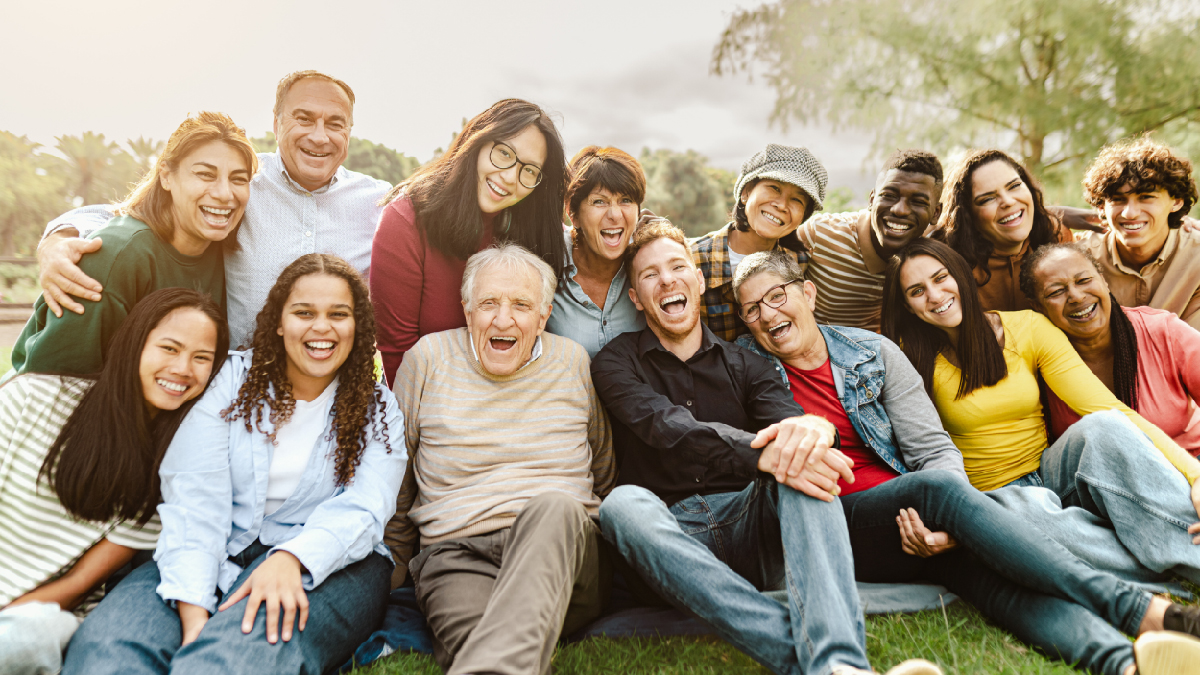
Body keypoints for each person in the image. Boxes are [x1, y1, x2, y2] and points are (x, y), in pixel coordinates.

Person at [732, 248, 1200, 674]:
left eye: (777, 296)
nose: (767, 315)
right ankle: (1143, 612)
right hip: (834, 521)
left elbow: (932, 450)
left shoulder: (873, 353)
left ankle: (1125, 664)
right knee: (940, 492)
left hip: (912, 516)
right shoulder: (745, 369)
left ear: (808, 293)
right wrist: (943, 503)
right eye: (752, 309)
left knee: (998, 586)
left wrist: (943, 529)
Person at [592, 220, 919, 674]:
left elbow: (792, 424)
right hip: (669, 535)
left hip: (751, 525)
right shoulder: (614, 361)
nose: (667, 280)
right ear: (636, 298)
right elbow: (666, 425)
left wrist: (816, 433)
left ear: (699, 279)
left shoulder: (746, 363)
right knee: (621, 505)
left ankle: (839, 663)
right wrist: (759, 453)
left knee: (803, 466)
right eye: (650, 275)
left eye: (677, 266)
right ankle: (820, 662)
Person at [63, 254, 406, 674]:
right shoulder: (231, 381)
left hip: (332, 563)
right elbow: (195, 494)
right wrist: (192, 613)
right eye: (304, 312)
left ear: (357, 326)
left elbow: (366, 508)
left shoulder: (378, 407)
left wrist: (290, 559)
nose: (322, 327)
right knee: (108, 648)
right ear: (279, 321)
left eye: (339, 314)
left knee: (232, 657)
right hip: (212, 546)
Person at [881, 238, 1200, 585]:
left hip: (1051, 473)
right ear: (908, 307)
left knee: (1104, 425)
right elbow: (917, 452)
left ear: (960, 274)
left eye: (941, 277)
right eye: (917, 291)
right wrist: (958, 521)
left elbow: (1108, 407)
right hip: (990, 499)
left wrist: (1196, 476)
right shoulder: (905, 359)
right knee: (1032, 516)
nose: (935, 295)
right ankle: (1157, 572)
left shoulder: (1028, 328)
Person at [383, 244, 615, 674]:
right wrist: (395, 562)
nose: (503, 319)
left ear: (544, 316)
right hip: (456, 555)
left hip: (561, 548)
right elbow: (398, 473)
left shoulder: (572, 362)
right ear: (467, 309)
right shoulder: (428, 360)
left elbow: (602, 468)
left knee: (555, 506)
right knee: (483, 650)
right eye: (489, 303)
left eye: (521, 306)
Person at [36, 70, 391, 348]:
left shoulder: (379, 204)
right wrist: (58, 239)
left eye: (335, 123)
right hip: (233, 388)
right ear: (277, 123)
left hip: (332, 392)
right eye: (304, 118)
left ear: (349, 131)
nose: (319, 136)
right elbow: (132, 213)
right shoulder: (240, 182)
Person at [0, 288, 229, 674]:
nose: (183, 368)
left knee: (27, 637)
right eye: (169, 348)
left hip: (35, 618)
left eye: (201, 358)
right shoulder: (33, 397)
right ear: (134, 344)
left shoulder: (169, 473)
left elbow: (79, 583)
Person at [9, 112, 253, 377]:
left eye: (239, 179)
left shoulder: (231, 247)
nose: (224, 193)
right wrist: (55, 238)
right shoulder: (118, 255)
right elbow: (54, 380)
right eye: (205, 174)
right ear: (166, 176)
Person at [371, 99, 569, 384]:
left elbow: (580, 236)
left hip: (520, 399)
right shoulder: (406, 220)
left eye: (529, 171)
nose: (510, 177)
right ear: (477, 142)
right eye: (503, 153)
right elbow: (398, 355)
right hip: (435, 405)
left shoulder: (530, 227)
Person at [1020, 242, 1200, 453]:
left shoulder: (1163, 331)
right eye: (1056, 291)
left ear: (1103, 281)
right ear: (1038, 307)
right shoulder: (1034, 363)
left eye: (1084, 280)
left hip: (1188, 466)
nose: (1076, 296)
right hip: (1097, 481)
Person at [795, 149, 942, 332]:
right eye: (889, 196)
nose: (900, 210)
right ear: (872, 200)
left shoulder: (933, 258)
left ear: (936, 213)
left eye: (918, 201)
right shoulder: (819, 235)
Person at [691, 143, 824, 342]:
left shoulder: (799, 263)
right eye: (774, 188)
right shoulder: (693, 260)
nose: (782, 205)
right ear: (745, 193)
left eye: (797, 200)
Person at [1074, 136, 1200, 329]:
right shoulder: (1079, 258)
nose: (1130, 213)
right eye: (1118, 199)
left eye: (1146, 197)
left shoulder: (1196, 256)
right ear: (1101, 207)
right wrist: (1058, 214)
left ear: (1176, 202)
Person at [933, 149, 1073, 312]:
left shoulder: (1057, 235)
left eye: (1014, 186)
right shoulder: (946, 265)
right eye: (987, 199)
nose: (1008, 201)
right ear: (967, 214)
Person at [544, 145, 647, 357]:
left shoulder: (648, 262)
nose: (615, 215)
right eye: (599, 201)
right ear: (573, 214)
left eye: (625, 200)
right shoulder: (545, 260)